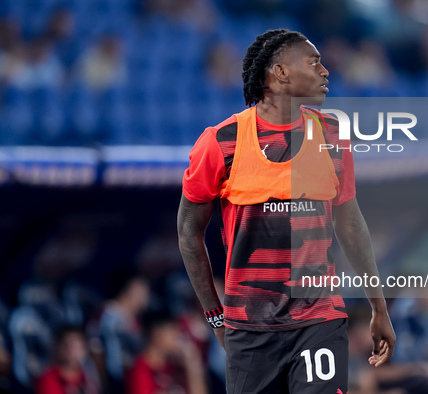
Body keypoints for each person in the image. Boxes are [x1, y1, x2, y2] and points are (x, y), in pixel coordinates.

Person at [177, 28, 396, 393]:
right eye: (314, 62)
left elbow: (351, 224)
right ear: (279, 73)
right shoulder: (220, 143)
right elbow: (188, 232)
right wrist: (216, 316)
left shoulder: (332, 136)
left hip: (318, 318)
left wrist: (379, 307)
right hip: (249, 328)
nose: (326, 72)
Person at [126, 313, 207, 394]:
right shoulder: (141, 369)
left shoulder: (175, 366)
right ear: (157, 335)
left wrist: (192, 365)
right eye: (173, 334)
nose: (177, 339)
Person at [35, 325, 100, 394]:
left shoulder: (89, 377)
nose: (72, 350)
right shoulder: (47, 379)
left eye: (76, 346)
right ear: (57, 347)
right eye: (67, 345)